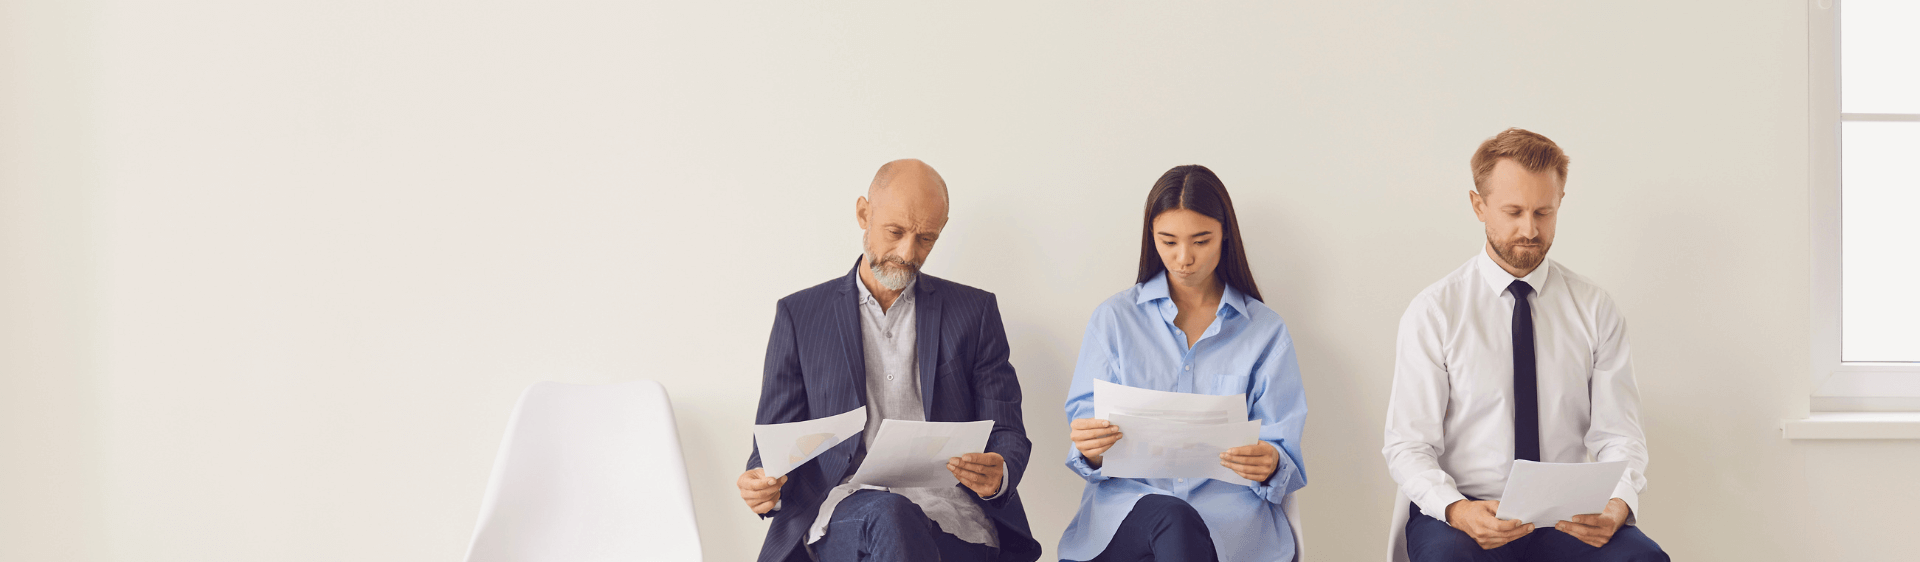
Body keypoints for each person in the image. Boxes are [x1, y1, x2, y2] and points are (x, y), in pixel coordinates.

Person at [1382, 128, 1668, 562]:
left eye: (1543, 212)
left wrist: (1619, 502)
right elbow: (1408, 445)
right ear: (1479, 206)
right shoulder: (1435, 311)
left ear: (1560, 204)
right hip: (1468, 510)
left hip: (1566, 514)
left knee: (1641, 559)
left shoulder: (1594, 308)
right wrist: (1457, 510)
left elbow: (1620, 435)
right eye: (1513, 211)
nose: (1529, 229)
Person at [736, 159, 1041, 562]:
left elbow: (1007, 429)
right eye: (895, 232)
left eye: (926, 239)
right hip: (843, 510)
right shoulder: (800, 315)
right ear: (864, 214)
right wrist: (761, 483)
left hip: (952, 513)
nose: (907, 253)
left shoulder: (975, 312)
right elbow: (775, 442)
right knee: (890, 515)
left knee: (902, 523)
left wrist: (999, 469)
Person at [1058, 165, 1308, 562]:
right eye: (1168, 241)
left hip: (1232, 526)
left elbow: (1282, 449)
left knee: (1183, 528)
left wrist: (1271, 461)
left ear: (1225, 235)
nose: (1184, 258)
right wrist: (1091, 448)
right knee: (1173, 517)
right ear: (1151, 238)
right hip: (1131, 516)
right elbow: (1086, 441)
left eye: (1200, 241)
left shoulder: (1265, 331)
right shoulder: (1114, 320)